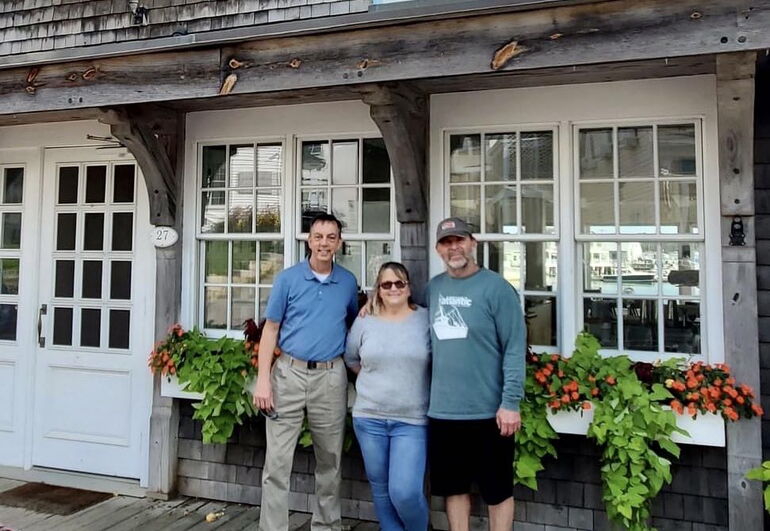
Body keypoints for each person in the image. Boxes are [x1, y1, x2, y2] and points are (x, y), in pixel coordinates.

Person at [253, 213, 359, 531]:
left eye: (331, 237)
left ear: (339, 243)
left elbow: (353, 324)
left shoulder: (348, 282)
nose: (324, 243)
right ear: (308, 240)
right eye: (318, 236)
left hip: (330, 375)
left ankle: (326, 526)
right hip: (289, 373)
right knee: (278, 462)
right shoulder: (288, 279)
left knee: (330, 460)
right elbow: (270, 329)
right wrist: (263, 380)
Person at [426, 217, 525, 531]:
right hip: (444, 410)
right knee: (454, 488)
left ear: (473, 243)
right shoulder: (434, 289)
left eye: (460, 240)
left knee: (497, 490)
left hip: (489, 411)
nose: (453, 247)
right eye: (446, 242)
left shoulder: (497, 289)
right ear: (438, 249)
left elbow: (514, 348)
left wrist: (510, 402)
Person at [344, 262, 431, 531]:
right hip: (369, 417)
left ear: (408, 287)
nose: (393, 288)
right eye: (386, 284)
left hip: (412, 420)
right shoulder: (364, 321)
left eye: (399, 283)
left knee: (405, 492)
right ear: (378, 290)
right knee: (381, 490)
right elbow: (351, 359)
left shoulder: (425, 319)